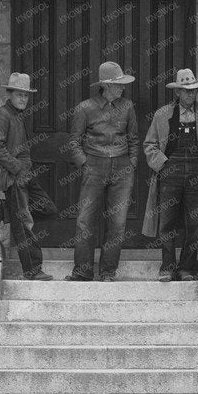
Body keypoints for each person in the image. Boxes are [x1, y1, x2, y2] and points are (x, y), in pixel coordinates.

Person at [66, 61, 138, 282]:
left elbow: (134, 138)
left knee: (117, 222)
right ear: (106, 85)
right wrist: (85, 163)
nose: (123, 88)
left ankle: (108, 272)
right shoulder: (85, 108)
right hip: (94, 166)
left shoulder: (127, 106)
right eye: (119, 84)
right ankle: (82, 272)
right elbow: (73, 141)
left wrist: (132, 162)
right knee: (85, 221)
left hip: (122, 167)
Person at [141, 68, 198, 283]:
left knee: (195, 223)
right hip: (170, 172)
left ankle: (186, 268)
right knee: (166, 222)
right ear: (177, 92)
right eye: (186, 91)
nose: (191, 95)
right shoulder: (162, 115)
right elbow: (149, 144)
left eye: (194, 91)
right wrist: (164, 164)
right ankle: (167, 267)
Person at [0, 72, 55, 281]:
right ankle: (32, 270)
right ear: (10, 94)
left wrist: (25, 171)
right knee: (23, 224)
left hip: (23, 176)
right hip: (12, 178)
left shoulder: (17, 115)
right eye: (19, 95)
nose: (23, 99)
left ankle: (12, 215)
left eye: (26, 96)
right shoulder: (2, 115)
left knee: (47, 208)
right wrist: (18, 168)